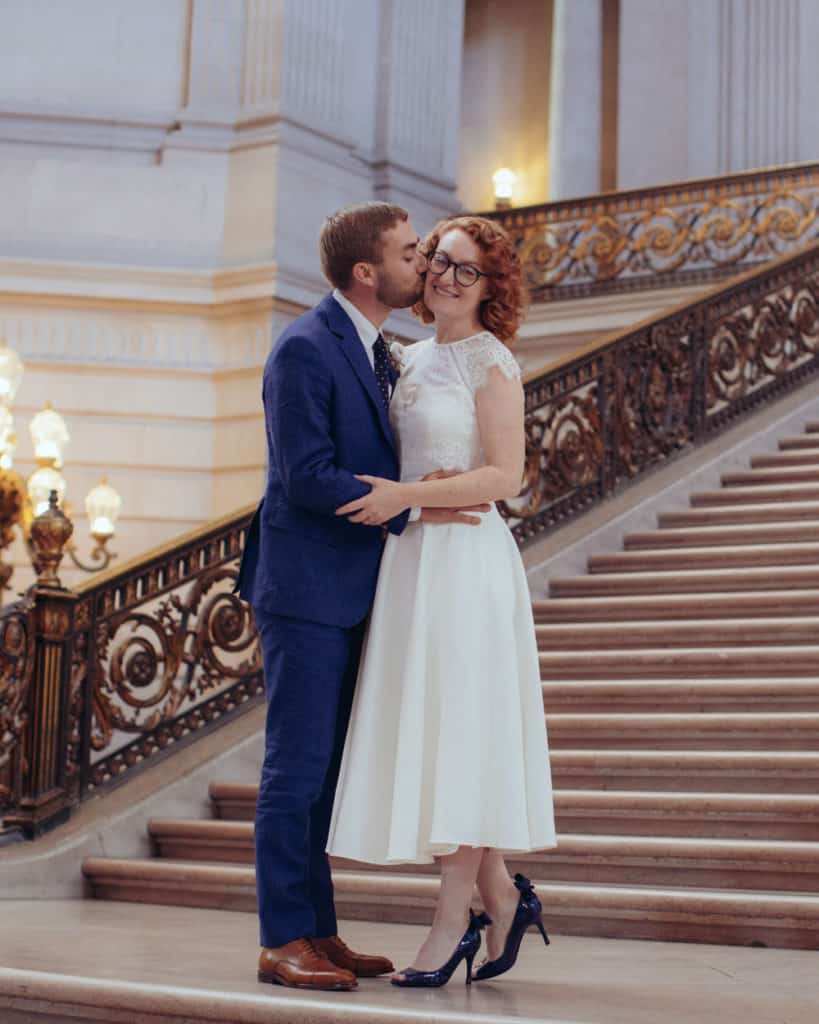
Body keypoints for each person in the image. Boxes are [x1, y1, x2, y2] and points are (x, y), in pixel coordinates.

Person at [234, 202, 487, 992]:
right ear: (366, 274)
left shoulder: (381, 349)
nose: (427, 266)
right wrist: (417, 504)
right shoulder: (305, 349)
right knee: (294, 771)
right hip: (306, 589)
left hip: (354, 589)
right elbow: (304, 477)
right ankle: (281, 939)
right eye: (412, 254)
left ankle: (319, 930)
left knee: (324, 773)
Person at [327, 215, 557, 988]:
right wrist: (411, 503)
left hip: (466, 562)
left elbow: (504, 476)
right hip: (414, 558)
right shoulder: (405, 357)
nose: (444, 278)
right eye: (437, 262)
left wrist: (411, 497)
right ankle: (500, 894)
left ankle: (453, 919)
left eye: (464, 270)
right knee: (441, 732)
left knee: (462, 727)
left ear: (489, 286)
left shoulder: (491, 361)